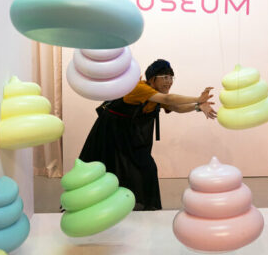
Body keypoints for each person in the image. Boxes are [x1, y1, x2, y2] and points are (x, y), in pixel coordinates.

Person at [78, 59, 217, 210]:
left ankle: (144, 207)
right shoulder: (140, 88)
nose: (169, 82)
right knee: (106, 168)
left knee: (146, 168)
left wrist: (198, 106)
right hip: (110, 134)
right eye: (165, 77)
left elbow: (175, 107)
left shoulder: (156, 95)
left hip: (131, 138)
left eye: (171, 78)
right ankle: (97, 206)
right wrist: (198, 98)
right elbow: (168, 99)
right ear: (152, 79)